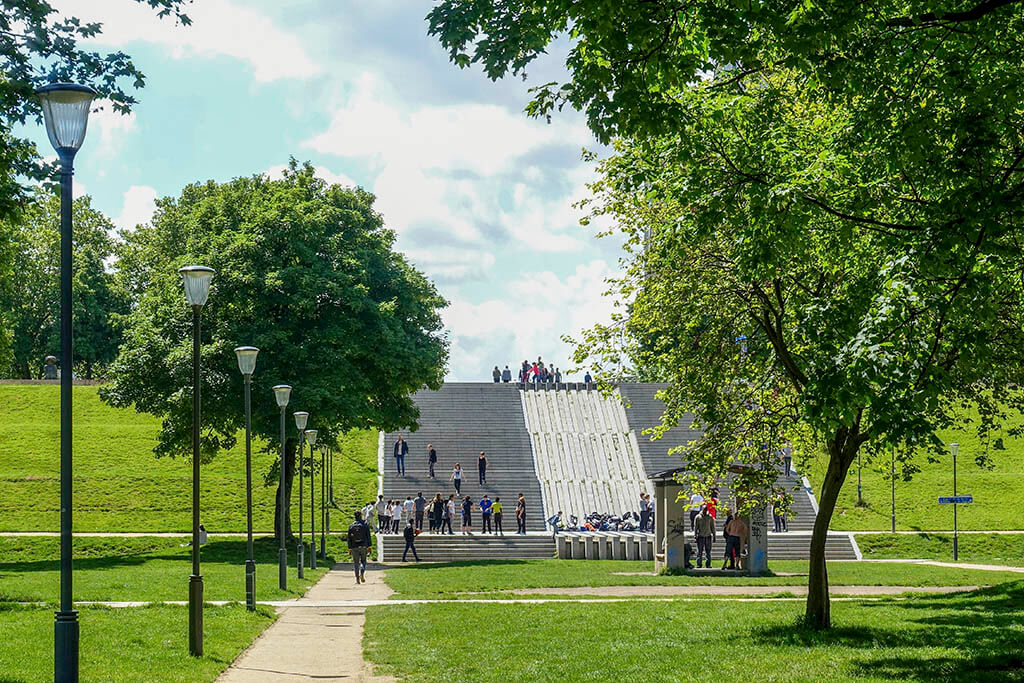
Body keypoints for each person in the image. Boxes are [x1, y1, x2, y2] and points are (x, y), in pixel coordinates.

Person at [347, 510, 372, 583]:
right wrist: (369, 546)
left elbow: (349, 538)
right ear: (361, 515)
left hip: (354, 546)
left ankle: (357, 580)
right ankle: (362, 572)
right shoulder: (365, 524)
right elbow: (368, 536)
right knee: (363, 561)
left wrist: (349, 548)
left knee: (356, 563)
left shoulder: (351, 526)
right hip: (364, 545)